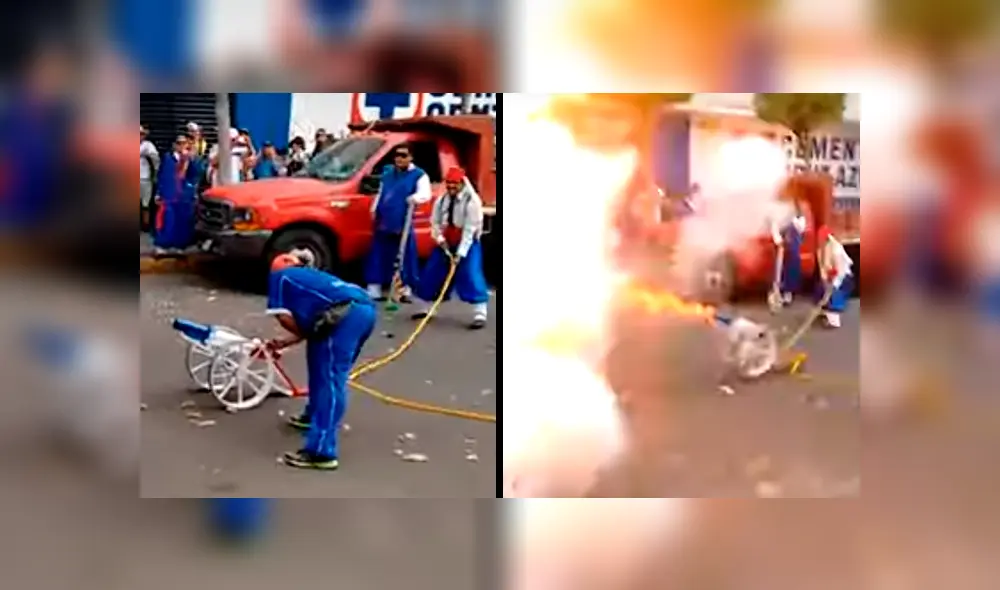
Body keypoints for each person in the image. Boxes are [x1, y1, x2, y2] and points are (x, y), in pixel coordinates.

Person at [266, 250, 376, 469]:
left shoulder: (281, 276)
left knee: (330, 378)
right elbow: (310, 325)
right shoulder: (314, 277)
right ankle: (313, 415)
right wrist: (286, 342)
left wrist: (288, 338)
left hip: (343, 316)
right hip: (360, 310)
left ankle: (322, 451)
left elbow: (283, 316)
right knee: (319, 365)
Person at [413, 166, 490, 328]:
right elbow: (434, 222)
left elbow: (470, 230)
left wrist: (460, 253)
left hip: (467, 242)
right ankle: (426, 307)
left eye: (455, 184)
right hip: (446, 241)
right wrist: (440, 239)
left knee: (470, 273)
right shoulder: (442, 201)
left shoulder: (472, 202)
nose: (451, 187)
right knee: (432, 272)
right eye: (449, 184)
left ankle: (479, 312)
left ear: (462, 183)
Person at [364, 143, 431, 301]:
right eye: (397, 155)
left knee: (405, 255)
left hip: (403, 220)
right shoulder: (388, 174)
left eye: (403, 155)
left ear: (411, 157)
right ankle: (374, 288)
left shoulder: (418, 174)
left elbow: (425, 193)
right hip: (384, 219)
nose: (399, 159)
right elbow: (381, 193)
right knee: (378, 254)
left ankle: (404, 289)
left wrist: (415, 198)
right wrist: (374, 208)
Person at [153, 135, 198, 254]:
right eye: (179, 143)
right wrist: (159, 193)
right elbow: (161, 176)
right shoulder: (168, 158)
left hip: (183, 194)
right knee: (166, 219)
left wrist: (190, 160)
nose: (181, 145)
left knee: (182, 220)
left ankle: (180, 246)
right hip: (169, 193)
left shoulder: (189, 160)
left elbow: (194, 175)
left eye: (184, 143)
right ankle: (162, 245)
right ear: (174, 145)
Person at [769, 197, 807, 305]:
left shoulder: (798, 217)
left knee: (792, 270)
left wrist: (793, 219)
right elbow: (774, 226)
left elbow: (801, 228)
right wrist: (778, 241)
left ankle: (788, 293)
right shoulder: (778, 214)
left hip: (793, 248)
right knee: (779, 270)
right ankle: (778, 291)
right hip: (781, 248)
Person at [814, 225, 854, 328]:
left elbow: (841, 272)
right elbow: (822, 268)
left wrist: (833, 285)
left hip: (843, 278)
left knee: (835, 293)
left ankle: (834, 318)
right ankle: (824, 308)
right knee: (820, 289)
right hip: (830, 276)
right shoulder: (821, 249)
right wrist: (824, 280)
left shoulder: (836, 249)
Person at [139, 125, 159, 232]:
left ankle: (145, 225)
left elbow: (155, 157)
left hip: (144, 177)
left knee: (145, 203)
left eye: (141, 134)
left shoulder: (148, 145)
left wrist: (156, 171)